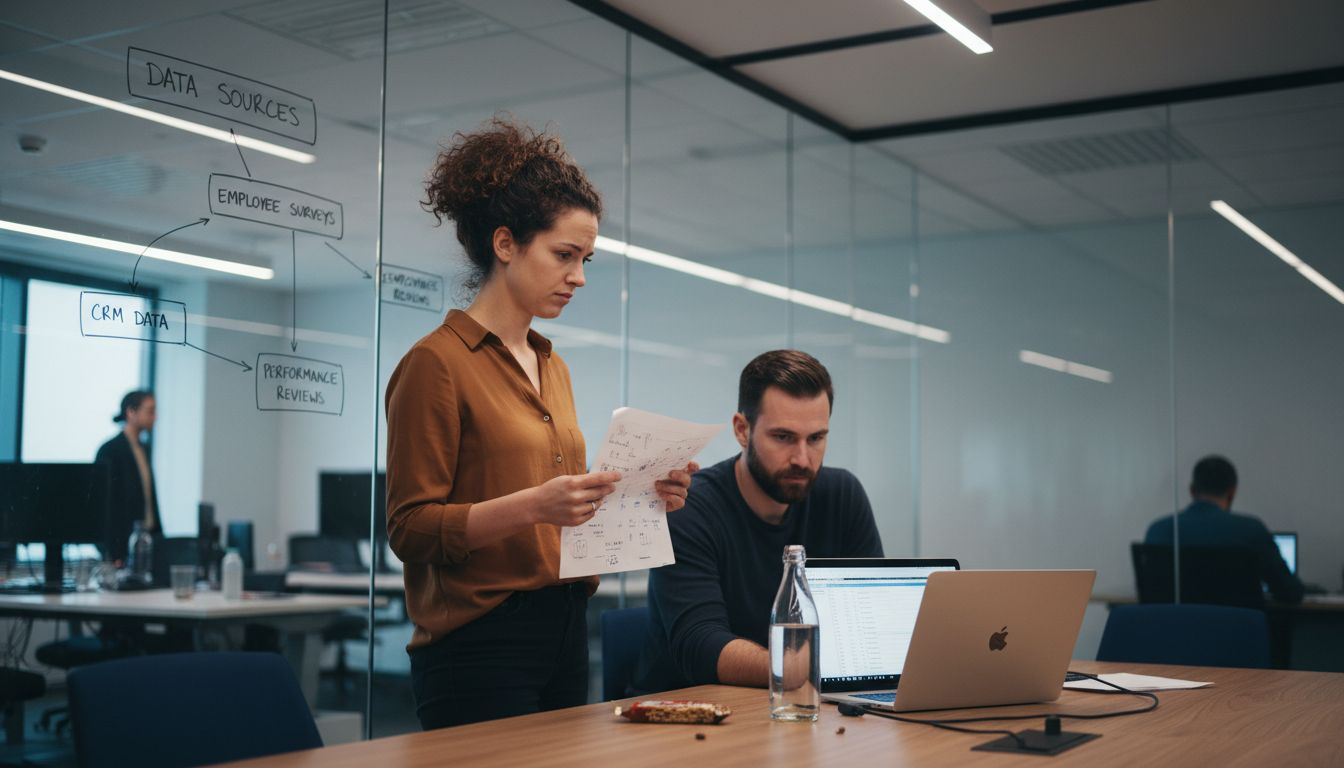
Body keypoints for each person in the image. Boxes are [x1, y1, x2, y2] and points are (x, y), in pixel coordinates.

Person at [385, 117, 695, 729]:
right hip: (477, 643)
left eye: (586, 258)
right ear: (506, 244)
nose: (579, 276)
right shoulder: (435, 363)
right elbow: (410, 530)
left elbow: (559, 509)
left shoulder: (553, 364)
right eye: (564, 255)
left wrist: (640, 496)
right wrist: (533, 505)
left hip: (565, 624)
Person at [632, 350, 883, 694]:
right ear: (742, 430)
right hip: (688, 719)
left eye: (816, 439)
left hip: (807, 707)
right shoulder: (688, 507)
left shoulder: (842, 495)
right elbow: (701, 645)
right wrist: (801, 668)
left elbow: (870, 618)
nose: (802, 458)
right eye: (783, 437)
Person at [1145, 455, 1303, 604]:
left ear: (1192, 490)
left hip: (1174, 630)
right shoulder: (1251, 530)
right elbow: (1290, 593)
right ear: (1232, 491)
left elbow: (1149, 591)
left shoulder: (1158, 531)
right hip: (1237, 630)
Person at [93, 390, 161, 563]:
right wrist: (112, 552)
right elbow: (102, 506)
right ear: (131, 412)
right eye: (150, 411)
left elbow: (148, 500)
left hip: (148, 542)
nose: (155, 417)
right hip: (121, 548)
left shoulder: (144, 448)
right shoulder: (109, 450)